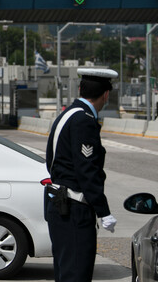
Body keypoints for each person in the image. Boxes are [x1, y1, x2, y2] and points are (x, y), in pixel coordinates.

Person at [45, 68, 118, 282]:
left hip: (60, 205)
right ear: (106, 95)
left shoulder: (66, 115)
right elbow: (87, 171)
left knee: (66, 271)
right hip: (74, 210)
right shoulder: (84, 121)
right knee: (77, 273)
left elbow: (52, 161)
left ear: (79, 89)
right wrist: (103, 211)